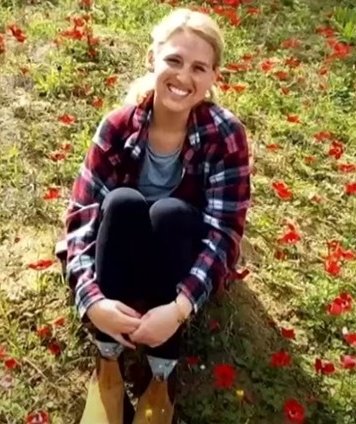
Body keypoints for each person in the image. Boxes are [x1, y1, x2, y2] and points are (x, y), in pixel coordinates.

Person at [59, 7, 251, 424]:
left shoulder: (225, 135)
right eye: (174, 60)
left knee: (170, 212)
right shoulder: (116, 126)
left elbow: (224, 235)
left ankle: (161, 376)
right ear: (153, 59)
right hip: (119, 257)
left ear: (214, 75)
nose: (184, 77)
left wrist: (179, 308)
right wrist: (92, 302)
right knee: (123, 203)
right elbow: (82, 218)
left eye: (199, 67)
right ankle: (108, 366)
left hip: (176, 262)